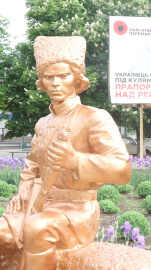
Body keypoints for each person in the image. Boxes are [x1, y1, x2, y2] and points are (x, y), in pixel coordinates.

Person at [0, 36, 131, 270]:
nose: (55, 83)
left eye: (63, 76)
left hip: (77, 211)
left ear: (77, 80)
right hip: (38, 204)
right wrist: (22, 194)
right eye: (49, 77)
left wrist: (75, 160)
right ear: (42, 82)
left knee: (37, 227)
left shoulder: (94, 117)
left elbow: (122, 169)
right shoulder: (42, 123)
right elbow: (31, 167)